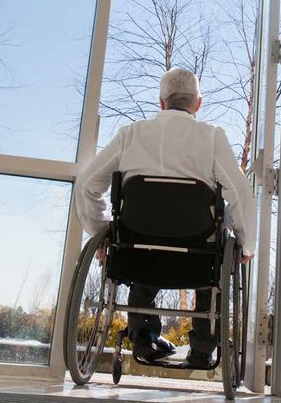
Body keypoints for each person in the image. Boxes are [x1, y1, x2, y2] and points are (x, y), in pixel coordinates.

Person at [75, 67, 255, 368]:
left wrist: (101, 230)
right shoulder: (212, 137)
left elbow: (86, 184)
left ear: (161, 102)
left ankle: (143, 337)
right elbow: (240, 192)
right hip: (198, 257)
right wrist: (246, 245)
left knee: (143, 238)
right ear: (198, 104)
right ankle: (201, 349)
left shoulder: (130, 135)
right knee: (214, 247)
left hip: (137, 251)